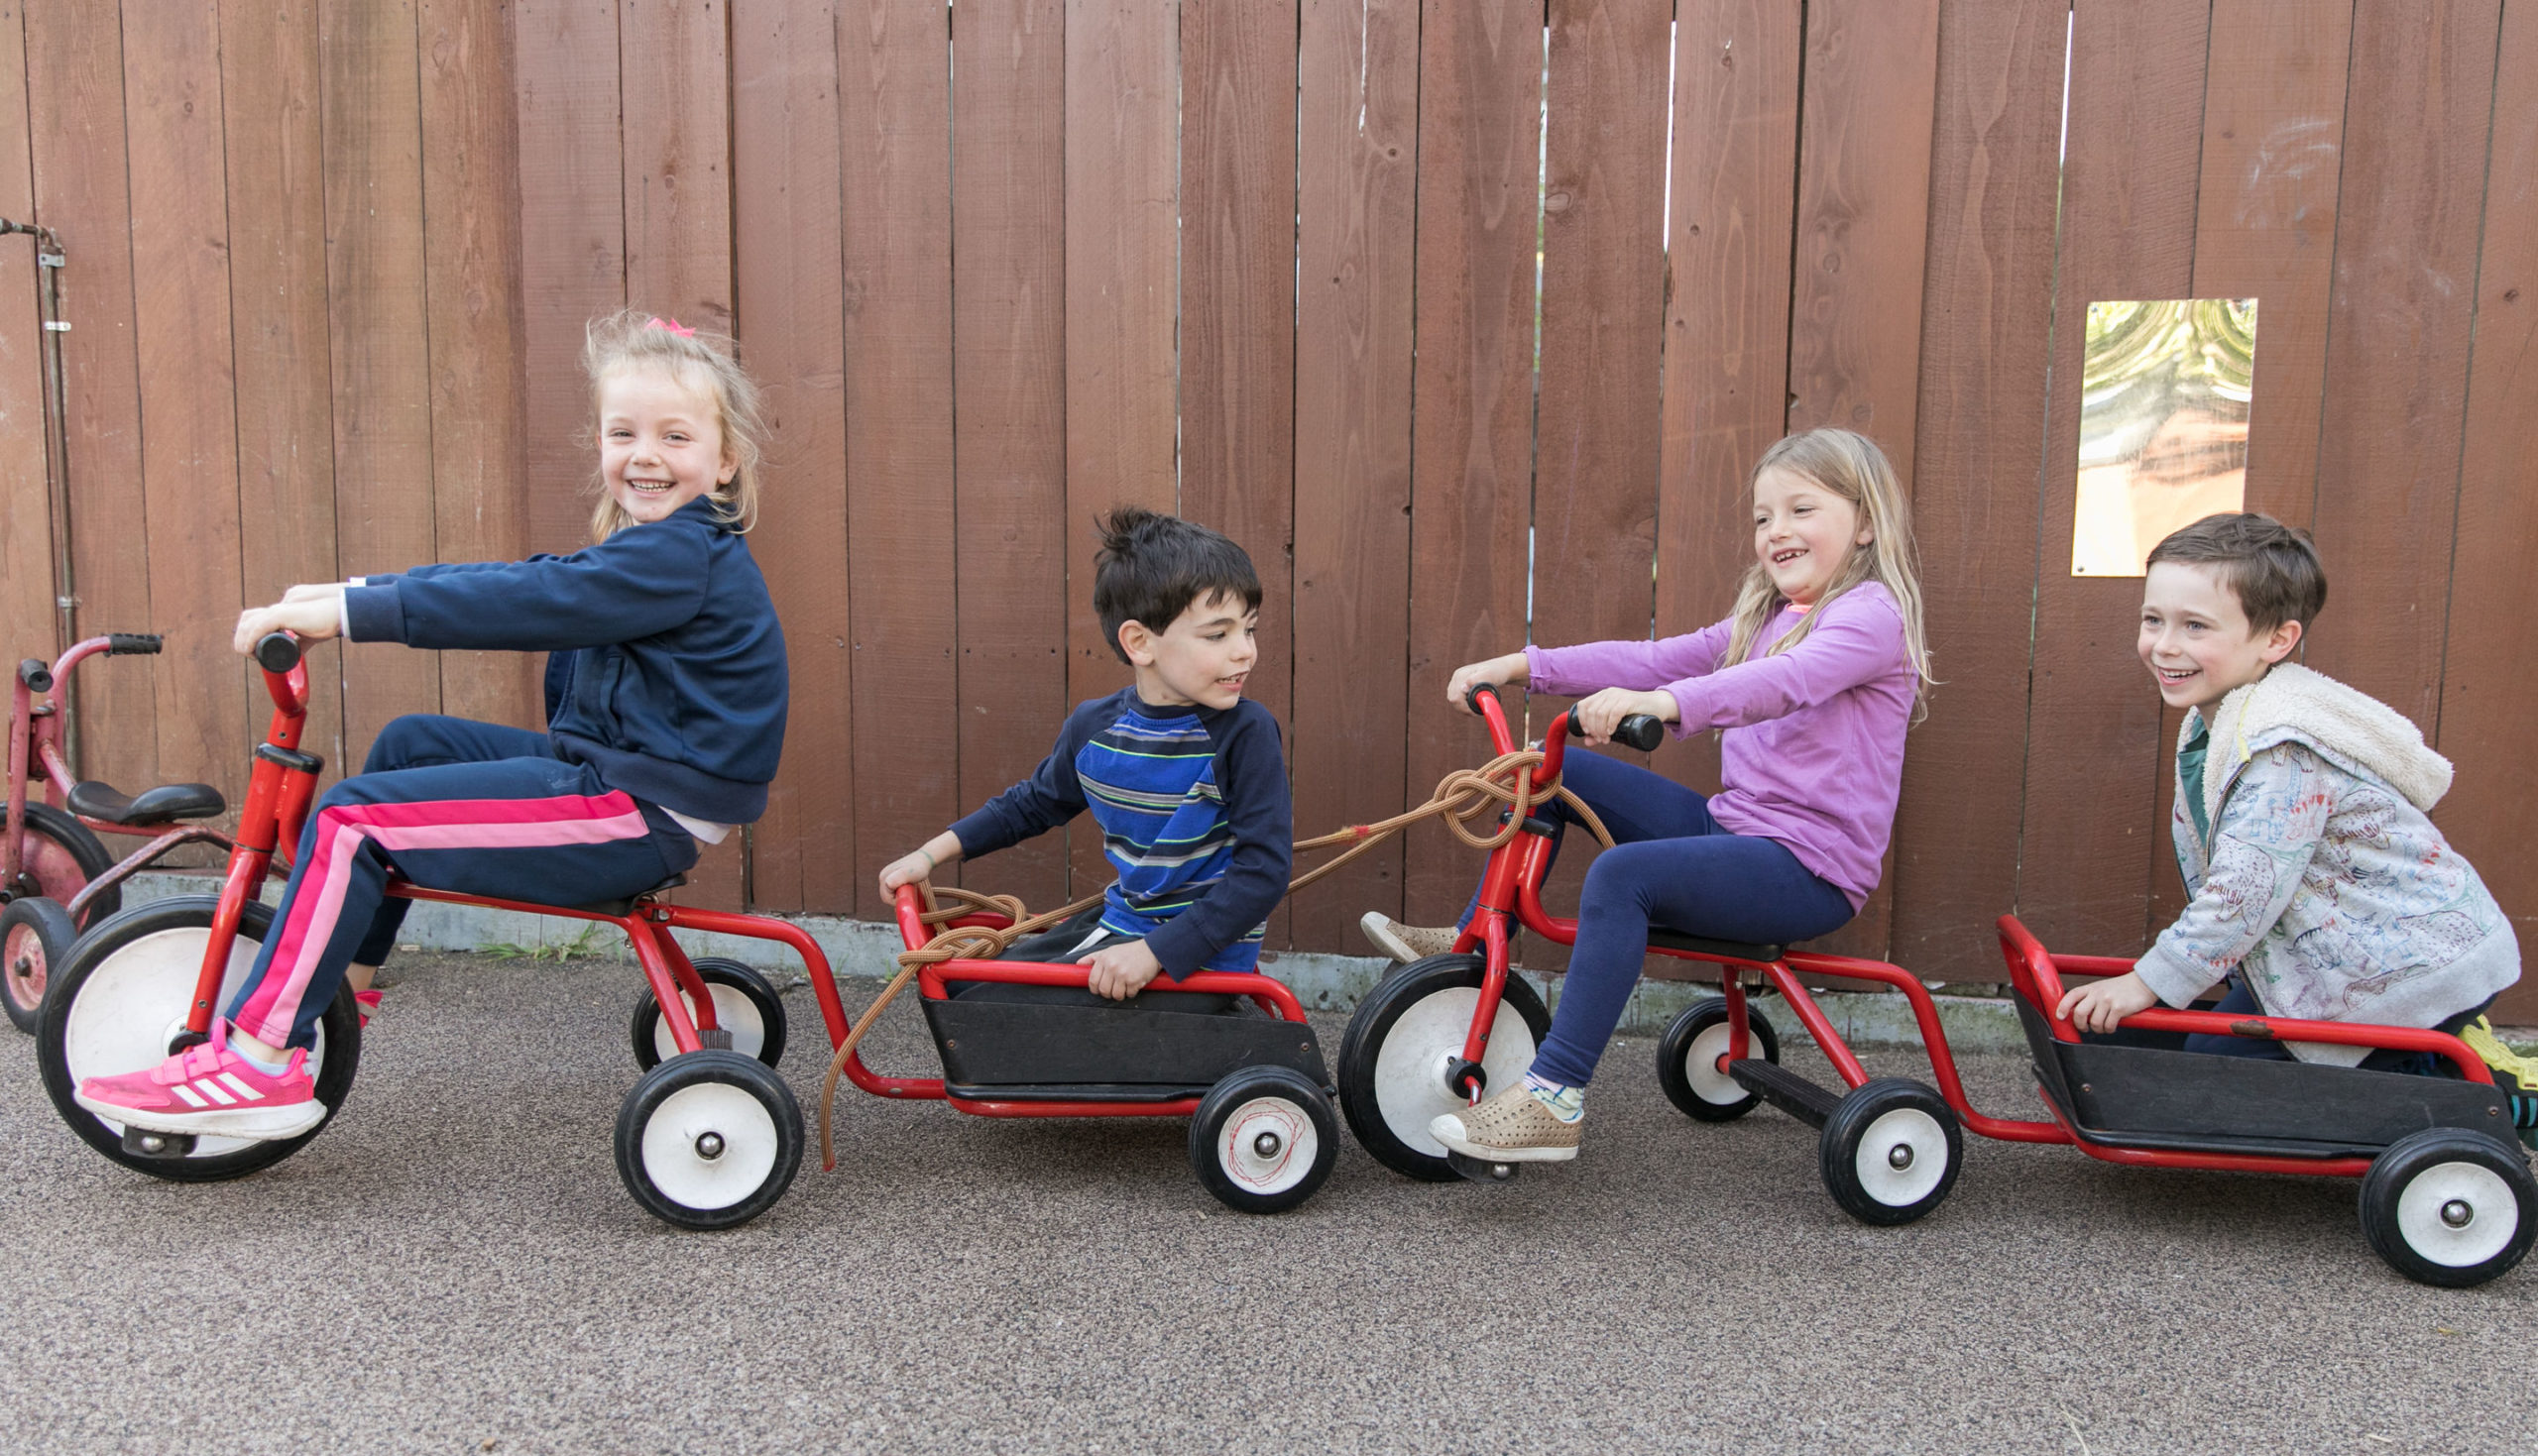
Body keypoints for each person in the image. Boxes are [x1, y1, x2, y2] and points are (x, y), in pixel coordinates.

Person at [78, 310, 787, 1140]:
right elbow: (532, 577)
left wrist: (354, 611)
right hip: (627, 776)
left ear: (725, 458)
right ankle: (349, 981)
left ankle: (259, 1060)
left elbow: (528, 602)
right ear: (597, 440)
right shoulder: (651, 547)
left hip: (638, 811)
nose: (644, 455)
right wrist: (351, 588)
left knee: (348, 824)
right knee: (411, 743)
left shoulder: (678, 555)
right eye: (622, 431)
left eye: (675, 436)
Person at [1363, 426, 1930, 1163]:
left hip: (1808, 868)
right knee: (1550, 767)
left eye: (1800, 510)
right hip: (1737, 829)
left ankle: (1554, 1096)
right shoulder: (1765, 618)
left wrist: (1665, 705)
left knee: (1623, 877)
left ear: (1865, 525)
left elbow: (1782, 684)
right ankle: (1475, 932)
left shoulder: (1870, 618)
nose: (1776, 531)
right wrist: (1520, 665)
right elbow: (1656, 656)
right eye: (1763, 518)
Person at [2056, 513, 2534, 1127]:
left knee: (2221, 1070)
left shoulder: (2279, 750)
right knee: (2209, 1050)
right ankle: (2445, 1047)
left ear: (2276, 640)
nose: (2165, 645)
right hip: (2342, 952)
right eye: (2154, 620)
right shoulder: (2222, 718)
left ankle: (2486, 1085)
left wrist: (2150, 981)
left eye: (2195, 626)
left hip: (2408, 961)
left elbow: (2245, 890)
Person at [877, 509, 1290, 1012]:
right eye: (1218, 635)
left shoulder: (1245, 734)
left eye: (1249, 630)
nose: (1244, 652)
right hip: (1123, 926)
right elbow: (1030, 805)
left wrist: (1156, 953)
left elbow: (1262, 872)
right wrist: (927, 856)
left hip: (1197, 960)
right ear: (1140, 642)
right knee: (963, 992)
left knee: (989, 1016)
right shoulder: (1095, 728)